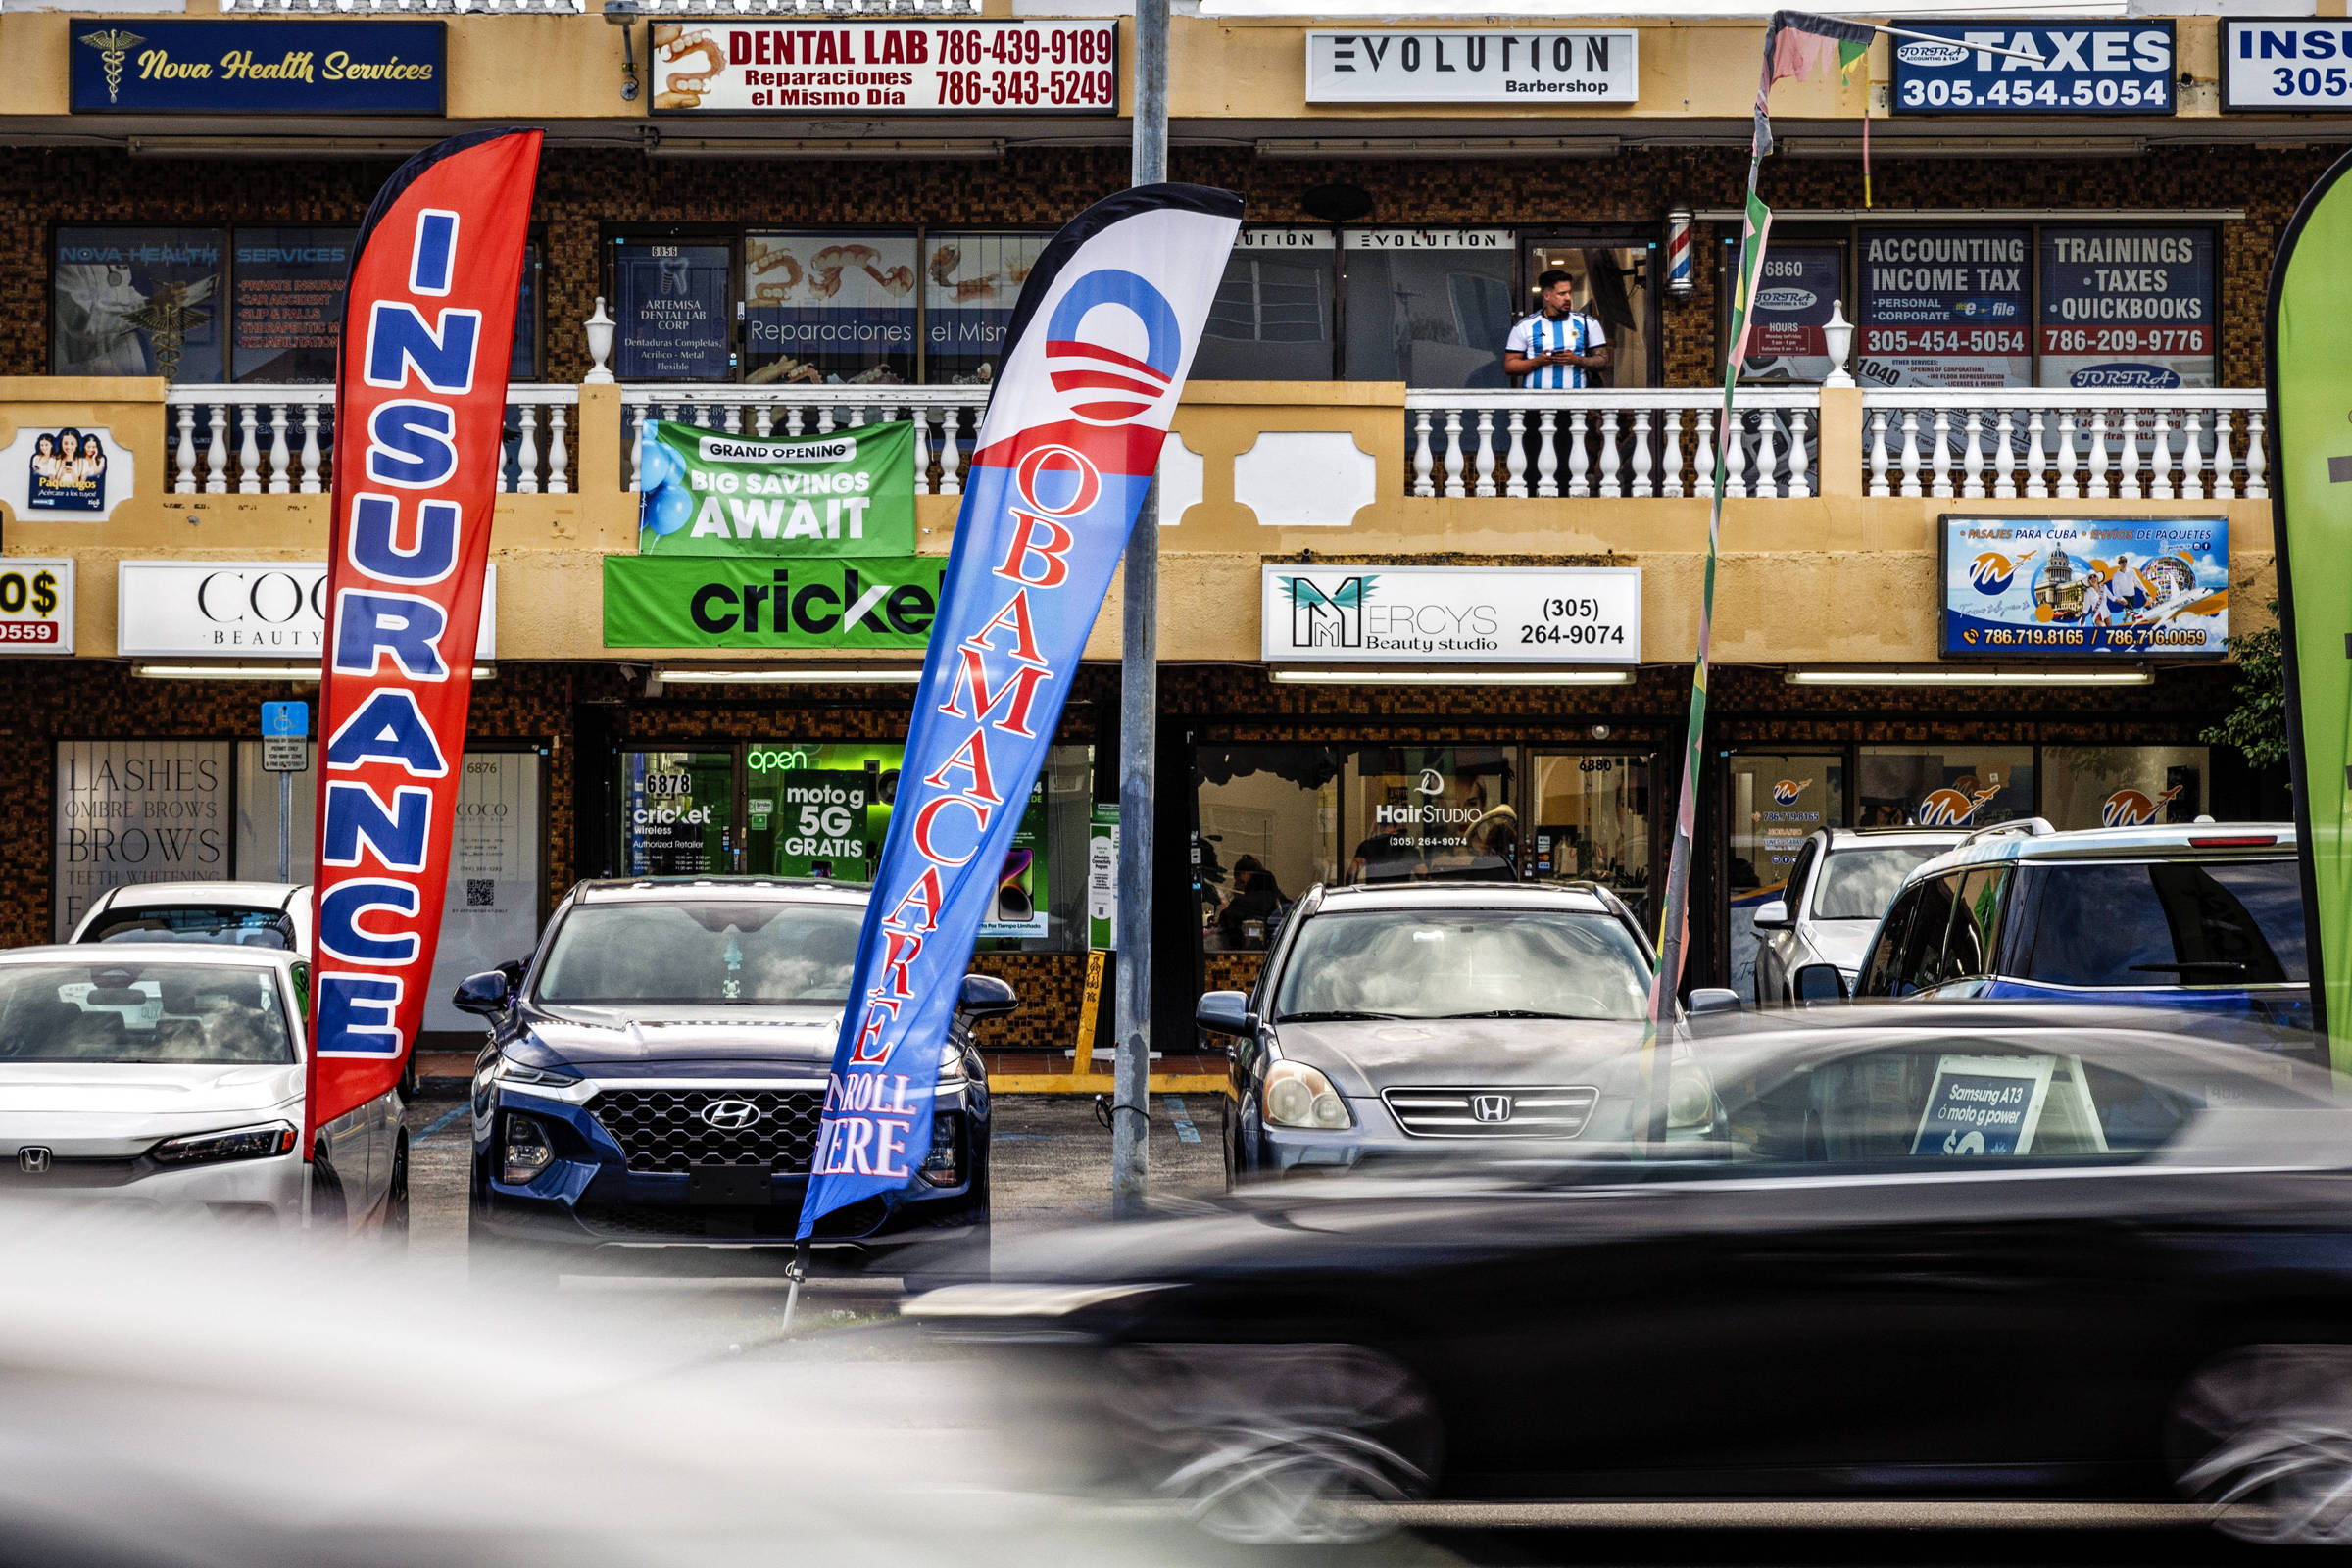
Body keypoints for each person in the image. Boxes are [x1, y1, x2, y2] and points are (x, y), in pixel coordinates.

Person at [1503, 270, 1611, 390]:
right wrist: (1538, 361)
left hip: (1576, 402)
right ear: (1547, 296)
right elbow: (1509, 366)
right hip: (1535, 403)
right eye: (1562, 293)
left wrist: (1576, 359)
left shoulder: (1588, 323)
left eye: (1569, 292)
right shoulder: (1525, 326)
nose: (1568, 298)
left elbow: (1603, 360)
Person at [1217, 856, 1287, 949]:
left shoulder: (1243, 903)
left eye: (1243, 883)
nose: (1240, 887)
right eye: (1239, 882)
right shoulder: (1282, 903)